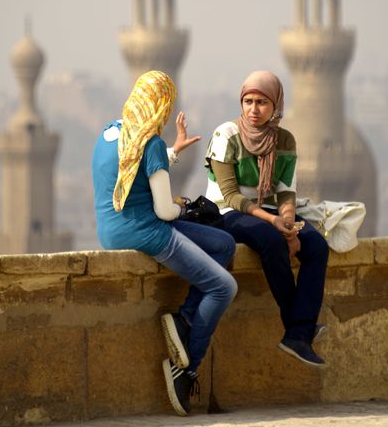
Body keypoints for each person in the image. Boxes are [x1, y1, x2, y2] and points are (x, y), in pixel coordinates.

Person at [92, 70, 237, 416]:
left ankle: (186, 320)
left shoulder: (111, 133)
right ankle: (187, 369)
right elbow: (165, 212)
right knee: (223, 287)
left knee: (223, 245)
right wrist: (184, 205)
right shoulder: (151, 143)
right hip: (148, 231)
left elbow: (131, 169)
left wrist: (173, 153)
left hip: (112, 229)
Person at [205, 70, 329, 367]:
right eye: (248, 101)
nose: (254, 109)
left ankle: (297, 334)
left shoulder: (284, 140)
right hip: (227, 212)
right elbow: (231, 196)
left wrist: (288, 223)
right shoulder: (227, 136)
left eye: (262, 102)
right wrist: (275, 225)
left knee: (316, 246)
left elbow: (286, 192)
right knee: (270, 241)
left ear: (276, 106)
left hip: (269, 211)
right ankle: (299, 329)